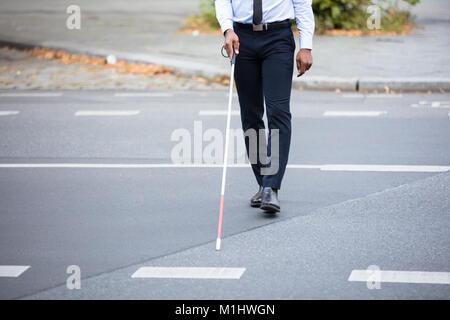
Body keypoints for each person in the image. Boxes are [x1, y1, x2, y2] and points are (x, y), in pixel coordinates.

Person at [215, 0, 315, 213]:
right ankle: (263, 182)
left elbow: (303, 4)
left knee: (278, 112)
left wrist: (306, 46)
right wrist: (227, 29)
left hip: (277, 38)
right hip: (241, 38)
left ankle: (271, 186)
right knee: (251, 115)